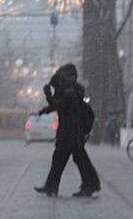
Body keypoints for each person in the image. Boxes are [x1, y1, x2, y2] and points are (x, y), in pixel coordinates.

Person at [33, 63, 99, 198]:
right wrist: (44, 111)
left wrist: (48, 96)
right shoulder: (70, 92)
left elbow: (59, 104)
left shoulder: (70, 93)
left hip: (71, 134)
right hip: (69, 134)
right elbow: (58, 105)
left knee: (77, 160)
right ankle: (53, 186)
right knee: (62, 160)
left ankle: (88, 185)